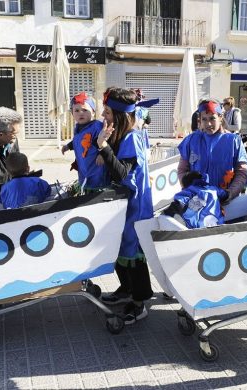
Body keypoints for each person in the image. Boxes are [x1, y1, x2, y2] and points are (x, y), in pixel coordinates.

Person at [97, 87, 154, 325]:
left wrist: (103, 146)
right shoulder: (121, 135)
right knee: (120, 250)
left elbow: (122, 173)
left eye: (107, 112)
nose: (103, 116)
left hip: (136, 207)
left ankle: (139, 303)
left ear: (120, 115)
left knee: (134, 255)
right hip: (123, 206)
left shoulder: (131, 137)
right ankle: (125, 289)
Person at [177, 99, 247, 202]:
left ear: (220, 118)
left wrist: (230, 193)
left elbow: (242, 173)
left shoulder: (233, 141)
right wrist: (185, 181)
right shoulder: (191, 141)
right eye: (204, 119)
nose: (208, 124)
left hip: (225, 203)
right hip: (196, 201)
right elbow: (182, 170)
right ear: (199, 120)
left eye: (212, 118)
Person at [61, 92, 108, 192]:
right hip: (84, 165)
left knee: (96, 187)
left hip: (96, 166)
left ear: (93, 112)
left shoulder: (97, 127)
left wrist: (102, 154)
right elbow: (77, 140)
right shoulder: (77, 128)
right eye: (77, 110)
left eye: (85, 110)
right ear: (72, 113)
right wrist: (68, 146)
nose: (81, 113)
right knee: (85, 185)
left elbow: (107, 140)